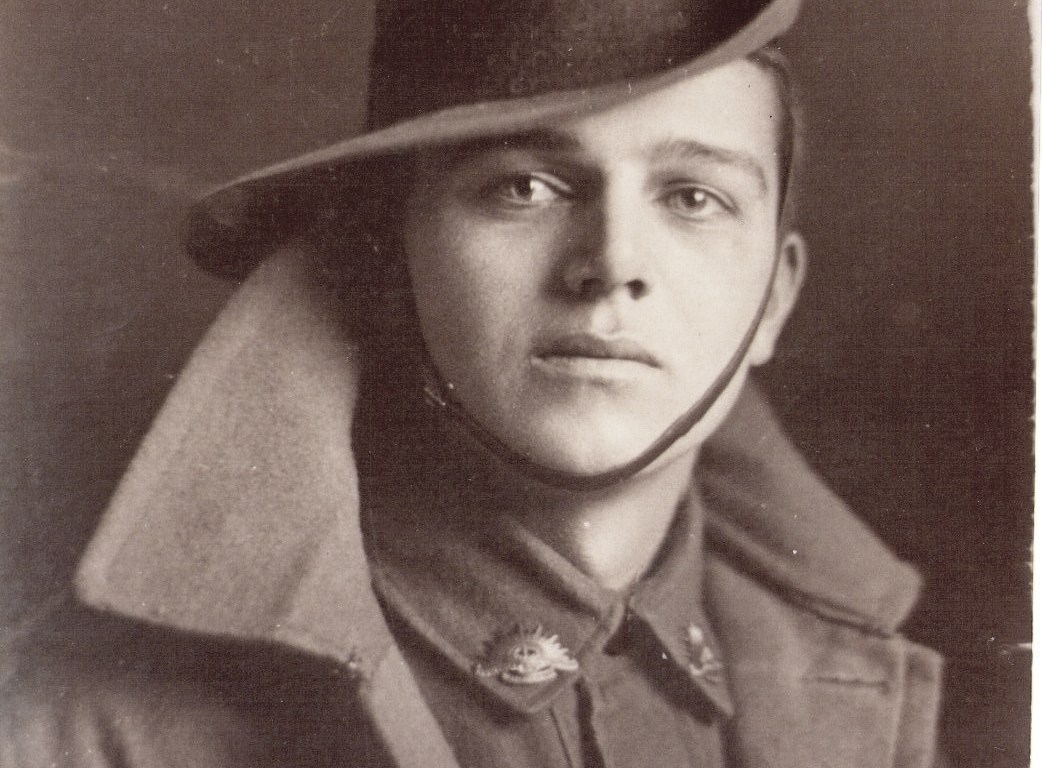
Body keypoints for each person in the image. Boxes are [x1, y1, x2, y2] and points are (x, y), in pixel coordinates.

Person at [0, 0, 944, 765]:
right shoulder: (89, 728)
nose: (613, 265)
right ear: (390, 257)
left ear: (774, 300)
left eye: (693, 198)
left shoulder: (860, 701)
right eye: (523, 187)